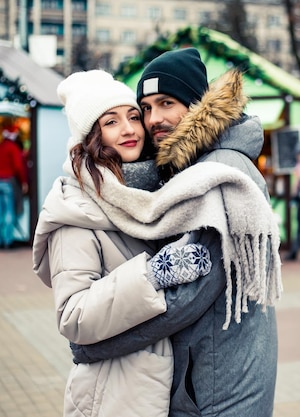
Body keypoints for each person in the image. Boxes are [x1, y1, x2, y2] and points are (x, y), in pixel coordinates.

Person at [68, 48, 283, 417]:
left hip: (219, 391)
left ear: (197, 104)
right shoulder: (189, 172)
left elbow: (185, 299)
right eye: (146, 108)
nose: (154, 119)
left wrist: (93, 347)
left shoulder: (220, 176)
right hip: (204, 378)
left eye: (166, 103)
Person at [32, 69, 215, 417]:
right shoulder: (75, 208)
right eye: (111, 122)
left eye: (133, 116)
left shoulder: (150, 195)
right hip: (114, 391)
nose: (130, 129)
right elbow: (74, 315)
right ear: (91, 136)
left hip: (167, 387)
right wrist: (152, 275)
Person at [0, 125, 28, 249]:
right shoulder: (13, 148)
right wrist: (24, 182)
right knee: (8, 212)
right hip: (7, 182)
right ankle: (7, 241)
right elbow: (18, 167)